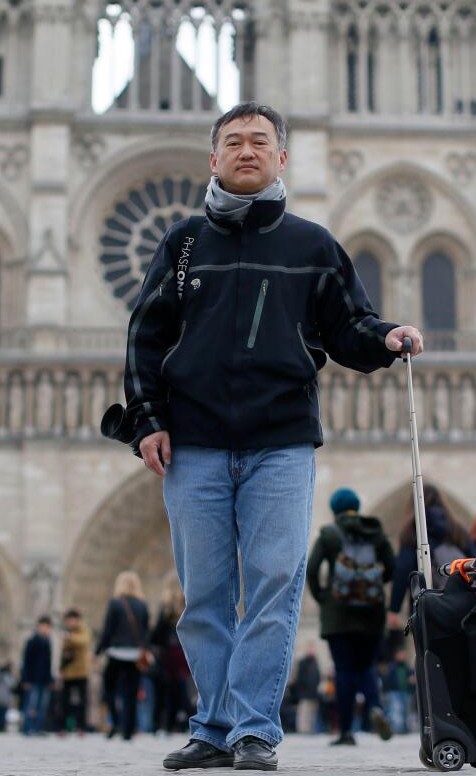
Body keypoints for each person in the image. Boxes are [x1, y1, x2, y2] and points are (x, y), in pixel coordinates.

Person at [114, 102, 425, 771]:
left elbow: (349, 326)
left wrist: (386, 338)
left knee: (275, 584)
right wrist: (146, 421)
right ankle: (214, 725)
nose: (247, 150)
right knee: (203, 594)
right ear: (215, 159)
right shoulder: (184, 242)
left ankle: (254, 728)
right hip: (194, 441)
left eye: (260, 141)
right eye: (234, 142)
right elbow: (145, 335)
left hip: (280, 441)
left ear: (281, 158)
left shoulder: (312, 244)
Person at [305, 487, 395, 745]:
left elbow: (312, 569)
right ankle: (376, 706)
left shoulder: (330, 534)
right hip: (372, 613)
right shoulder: (376, 534)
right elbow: (391, 567)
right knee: (367, 667)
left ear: (335, 510)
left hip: (338, 615)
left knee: (343, 670)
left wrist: (323, 596)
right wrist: (374, 585)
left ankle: (345, 731)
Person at [387, 486, 475, 625]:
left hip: (426, 605)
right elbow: (474, 562)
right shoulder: (457, 529)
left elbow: (403, 570)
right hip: (461, 602)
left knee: (429, 644)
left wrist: (394, 609)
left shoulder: (413, 530)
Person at [95, 571, 150, 741]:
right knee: (131, 694)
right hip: (135, 655)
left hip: (116, 653)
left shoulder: (115, 604)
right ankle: (128, 730)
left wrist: (97, 651)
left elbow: (107, 631)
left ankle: (116, 720)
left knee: (109, 689)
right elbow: (146, 632)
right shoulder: (143, 605)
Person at [150, 575, 191, 735]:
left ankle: (168, 722)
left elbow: (158, 633)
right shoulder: (185, 605)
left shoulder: (166, 607)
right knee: (183, 687)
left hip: (169, 653)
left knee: (168, 688)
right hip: (183, 651)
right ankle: (183, 720)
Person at [59, 608, 93, 734]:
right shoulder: (67, 631)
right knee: (64, 701)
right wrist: (61, 668)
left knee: (82, 701)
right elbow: (64, 652)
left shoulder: (83, 630)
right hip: (68, 671)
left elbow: (84, 641)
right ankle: (64, 727)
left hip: (81, 671)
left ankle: (81, 726)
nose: (70, 622)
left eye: (72, 620)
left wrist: (70, 637)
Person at [21, 617, 55, 735]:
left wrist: (50, 679)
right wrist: (25, 679)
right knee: (32, 705)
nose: (46, 629)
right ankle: (27, 727)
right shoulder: (32, 641)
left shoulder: (47, 642)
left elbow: (48, 663)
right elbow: (26, 661)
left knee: (42, 706)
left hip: (44, 680)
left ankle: (38, 728)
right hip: (33, 679)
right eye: (44, 626)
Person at [292, 643, 321, 735]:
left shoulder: (315, 661)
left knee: (312, 711)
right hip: (304, 691)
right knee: (304, 711)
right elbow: (300, 677)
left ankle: (310, 728)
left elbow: (317, 676)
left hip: (313, 692)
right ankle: (302, 729)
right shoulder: (303, 662)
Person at [384, 648, 412, 735]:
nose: (403, 656)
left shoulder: (406, 667)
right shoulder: (392, 666)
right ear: (396, 655)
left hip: (405, 691)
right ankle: (397, 729)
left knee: (404, 710)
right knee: (396, 710)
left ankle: (404, 728)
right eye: (401, 654)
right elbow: (387, 679)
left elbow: (411, 677)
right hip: (394, 692)